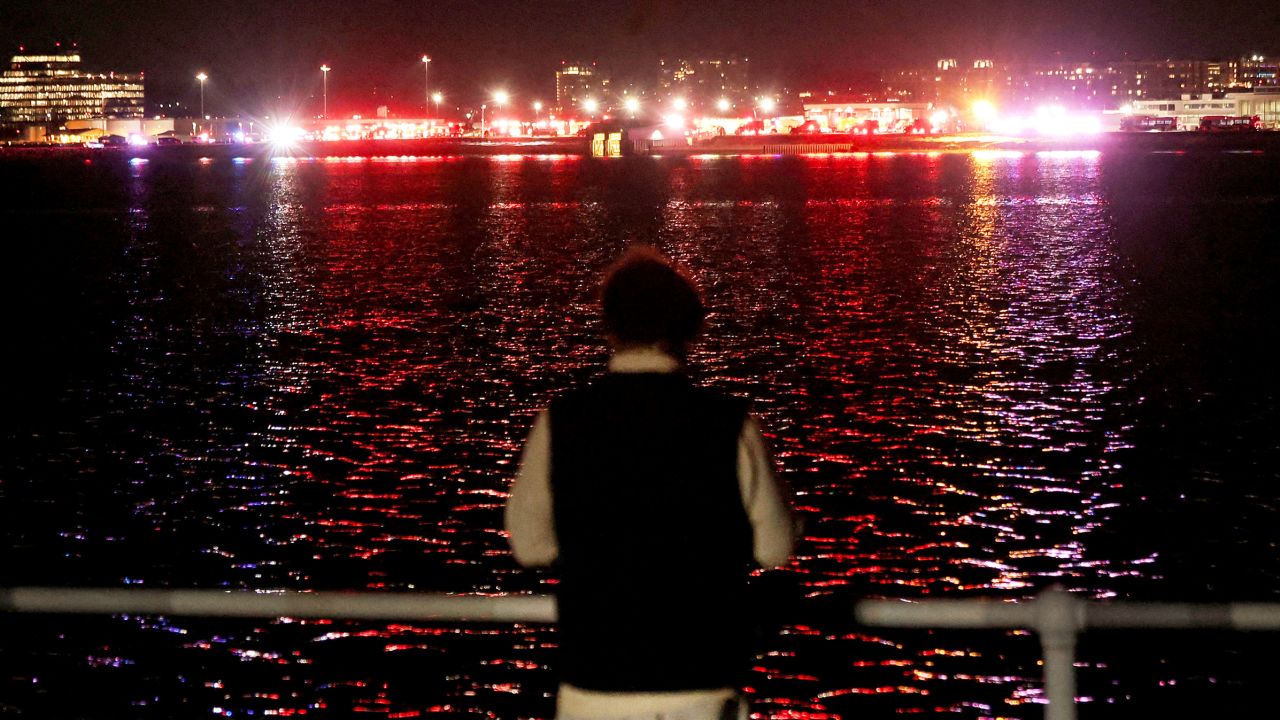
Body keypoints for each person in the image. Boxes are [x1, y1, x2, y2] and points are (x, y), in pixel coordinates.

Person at [506, 246, 795, 720]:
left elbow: (531, 547)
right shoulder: (729, 423)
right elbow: (775, 548)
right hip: (700, 681)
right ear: (689, 327)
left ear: (610, 326)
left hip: (595, 684)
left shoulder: (562, 422)